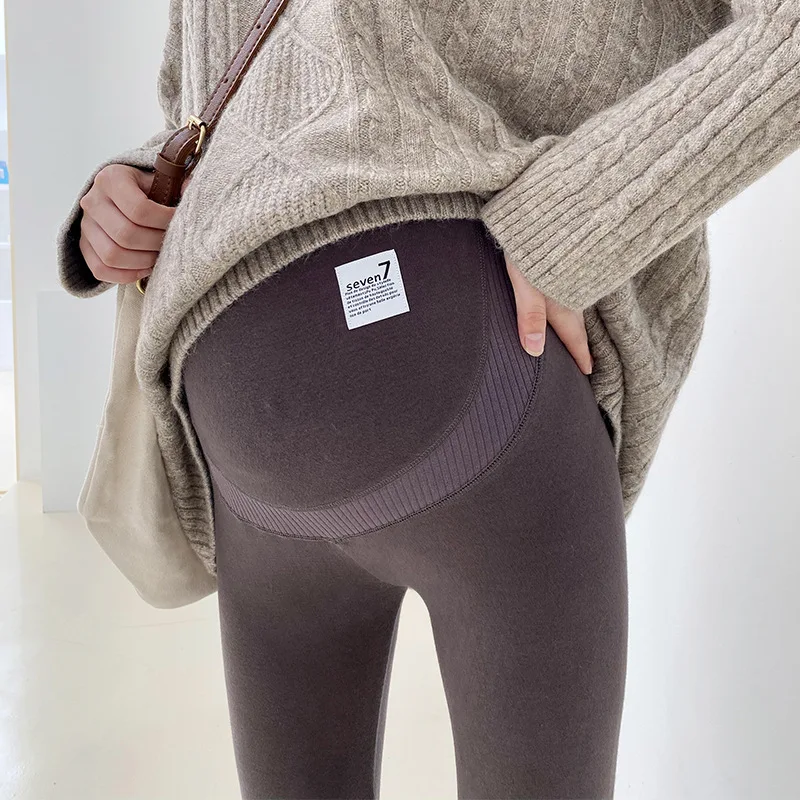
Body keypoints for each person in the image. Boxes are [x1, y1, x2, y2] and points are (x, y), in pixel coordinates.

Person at [57, 1, 800, 797]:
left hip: (283, 381)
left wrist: (571, 226)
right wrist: (136, 186)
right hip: (431, 358)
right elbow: (239, 81)